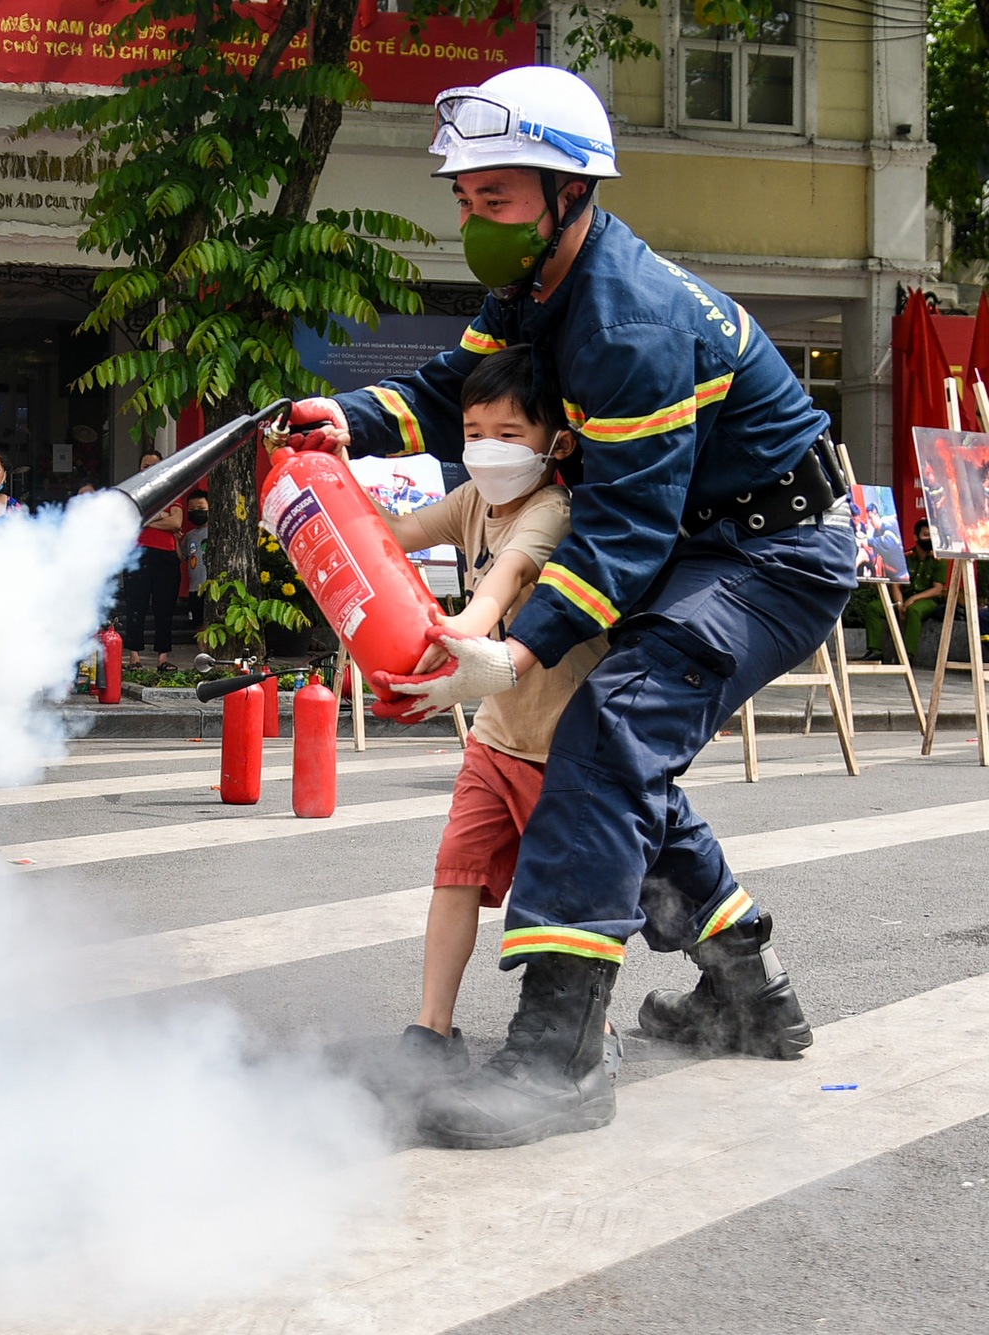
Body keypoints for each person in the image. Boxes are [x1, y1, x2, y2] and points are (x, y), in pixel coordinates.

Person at [288, 65, 856, 1149]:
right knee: (621, 758)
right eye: (463, 199)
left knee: (603, 733)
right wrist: (341, 415)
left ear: (566, 191)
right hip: (707, 542)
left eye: (493, 199)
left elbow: (623, 531)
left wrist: (505, 652)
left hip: (775, 554)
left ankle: (554, 1059)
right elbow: (453, 391)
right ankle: (749, 992)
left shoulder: (628, 320)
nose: (473, 220)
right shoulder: (534, 289)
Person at [376, 346, 614, 1082]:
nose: (487, 448)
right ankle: (431, 1029)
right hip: (496, 739)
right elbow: (397, 533)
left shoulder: (551, 510)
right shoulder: (472, 501)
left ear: (557, 442)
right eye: (475, 430)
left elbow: (502, 582)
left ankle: (581, 1035)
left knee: (564, 906)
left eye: (509, 433)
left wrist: (459, 634)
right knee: (456, 875)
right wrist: (313, 503)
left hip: (567, 752)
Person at [117, 449, 184, 670]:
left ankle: (163, 658)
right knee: (136, 606)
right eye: (145, 465)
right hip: (138, 554)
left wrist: (146, 519)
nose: (149, 469)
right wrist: (162, 515)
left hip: (166, 555)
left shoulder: (173, 489)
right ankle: (134, 657)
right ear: (140, 469)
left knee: (165, 609)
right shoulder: (133, 492)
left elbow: (176, 523)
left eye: (153, 465)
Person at [854, 519, 945, 662]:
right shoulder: (906, 557)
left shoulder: (938, 560)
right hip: (903, 597)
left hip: (926, 600)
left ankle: (907, 655)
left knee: (913, 610)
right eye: (926, 535)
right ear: (916, 537)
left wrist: (913, 600)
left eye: (932, 535)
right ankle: (875, 651)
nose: (929, 539)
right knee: (874, 608)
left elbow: (937, 589)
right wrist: (899, 604)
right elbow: (896, 584)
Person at [177, 489, 212, 630]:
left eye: (201, 508)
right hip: (194, 588)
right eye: (192, 509)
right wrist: (175, 540)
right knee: (199, 625)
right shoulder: (189, 536)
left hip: (212, 587)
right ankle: (203, 651)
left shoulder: (218, 531)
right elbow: (182, 557)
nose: (197, 512)